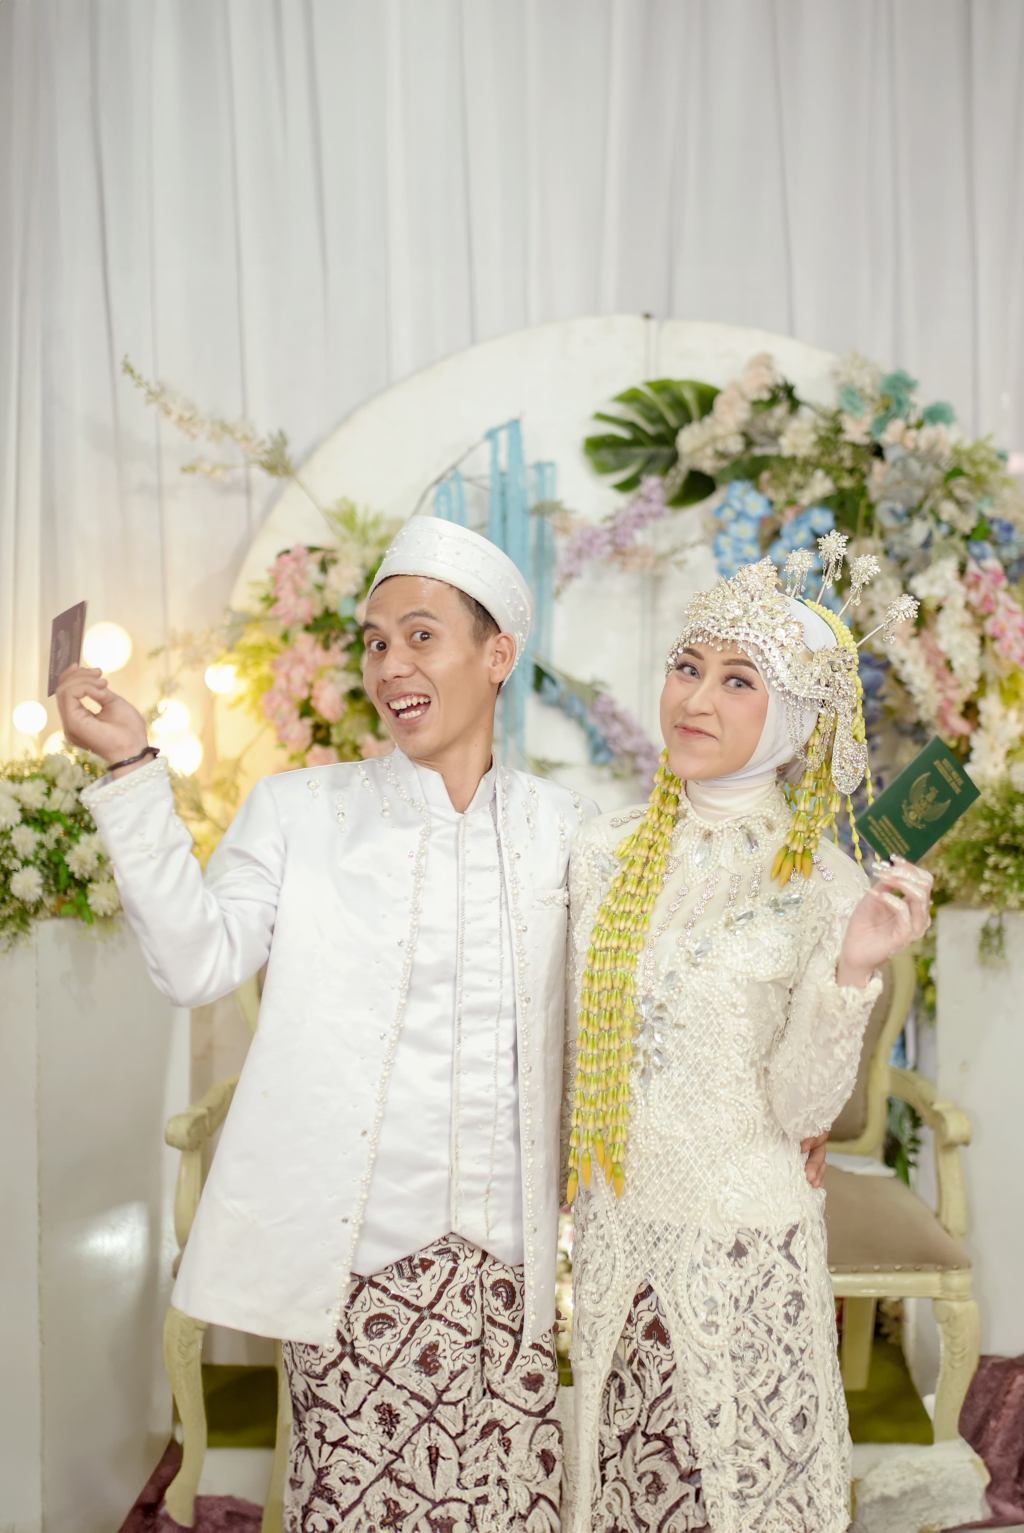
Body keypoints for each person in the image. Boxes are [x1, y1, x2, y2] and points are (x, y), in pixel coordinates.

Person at [58, 516, 595, 1532]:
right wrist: (131, 771)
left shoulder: (567, 831)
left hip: (509, 1277)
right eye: (376, 641)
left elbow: (629, 1010)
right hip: (356, 1264)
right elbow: (195, 960)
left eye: (421, 635)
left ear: (497, 654)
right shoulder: (300, 812)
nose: (391, 664)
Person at [563, 549, 932, 1533]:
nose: (695, 699)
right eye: (688, 667)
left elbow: (802, 1108)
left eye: (737, 681)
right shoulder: (599, 852)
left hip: (743, 1237)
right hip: (614, 1229)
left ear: (795, 719)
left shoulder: (825, 884)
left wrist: (853, 968)